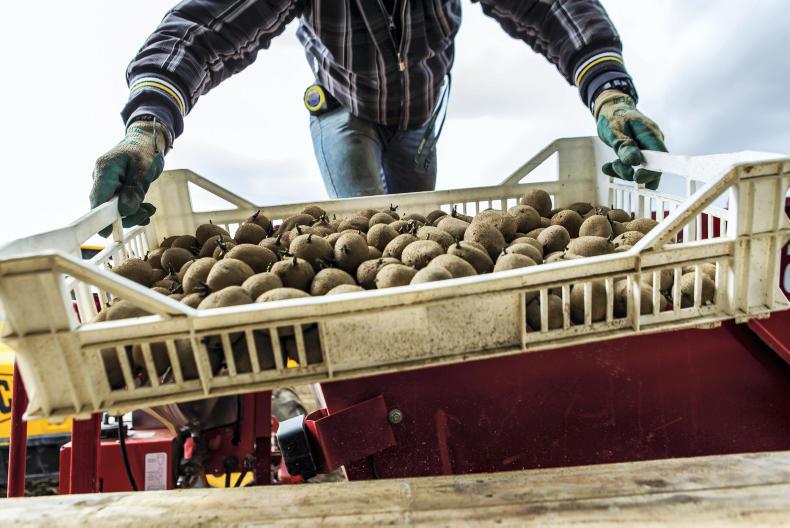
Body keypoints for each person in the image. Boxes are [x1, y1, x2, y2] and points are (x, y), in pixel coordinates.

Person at [90, 0, 667, 230]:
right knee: (369, 231)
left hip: (417, 120)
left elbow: (553, 8)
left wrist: (609, 91)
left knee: (420, 229)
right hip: (345, 111)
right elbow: (202, 33)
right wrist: (147, 125)